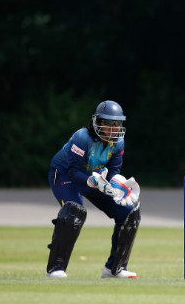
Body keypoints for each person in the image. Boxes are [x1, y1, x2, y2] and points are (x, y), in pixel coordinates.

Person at [46, 100, 141, 279]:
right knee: (74, 211)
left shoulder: (119, 143)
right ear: (97, 122)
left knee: (130, 211)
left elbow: (113, 172)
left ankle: (115, 269)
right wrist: (93, 181)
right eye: (109, 123)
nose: (114, 128)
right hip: (65, 175)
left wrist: (118, 185)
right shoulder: (82, 138)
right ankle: (56, 268)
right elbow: (73, 171)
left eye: (118, 123)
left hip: (95, 178)